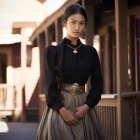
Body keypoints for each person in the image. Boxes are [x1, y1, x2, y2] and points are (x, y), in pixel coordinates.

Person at [35, 3, 107, 140]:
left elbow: (98, 82)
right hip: (59, 108)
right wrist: (62, 110)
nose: (77, 27)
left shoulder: (91, 52)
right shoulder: (52, 52)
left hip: (84, 108)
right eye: (73, 22)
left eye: (81, 23)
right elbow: (49, 85)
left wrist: (86, 106)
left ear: (85, 24)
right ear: (64, 22)